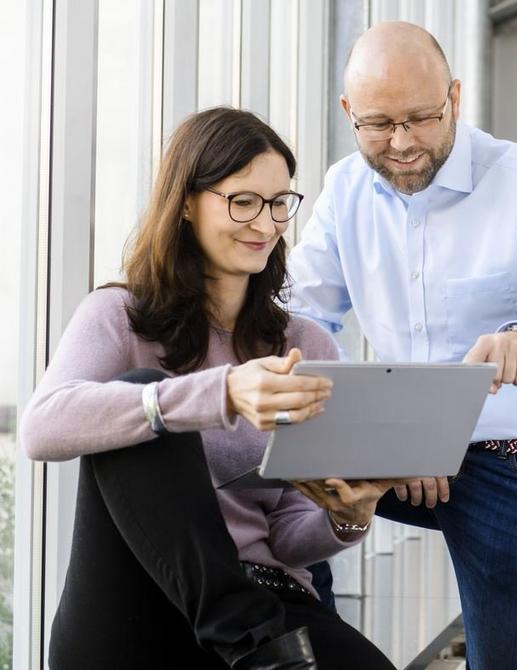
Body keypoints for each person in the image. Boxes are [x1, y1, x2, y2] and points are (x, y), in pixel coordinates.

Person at [287, 21, 517, 670]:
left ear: (456, 98)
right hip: (398, 439)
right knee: (260, 480)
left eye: (422, 118)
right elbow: (304, 317)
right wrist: (397, 436)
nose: (404, 143)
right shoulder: (344, 191)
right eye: (379, 124)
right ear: (347, 113)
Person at [20, 108, 396, 670]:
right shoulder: (118, 316)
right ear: (188, 204)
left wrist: (348, 516)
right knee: (143, 396)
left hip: (269, 595)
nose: (266, 224)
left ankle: (256, 644)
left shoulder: (305, 343)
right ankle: (251, 642)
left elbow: (290, 538)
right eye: (243, 201)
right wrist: (220, 394)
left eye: (279, 203)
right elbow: (41, 428)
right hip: (136, 602)